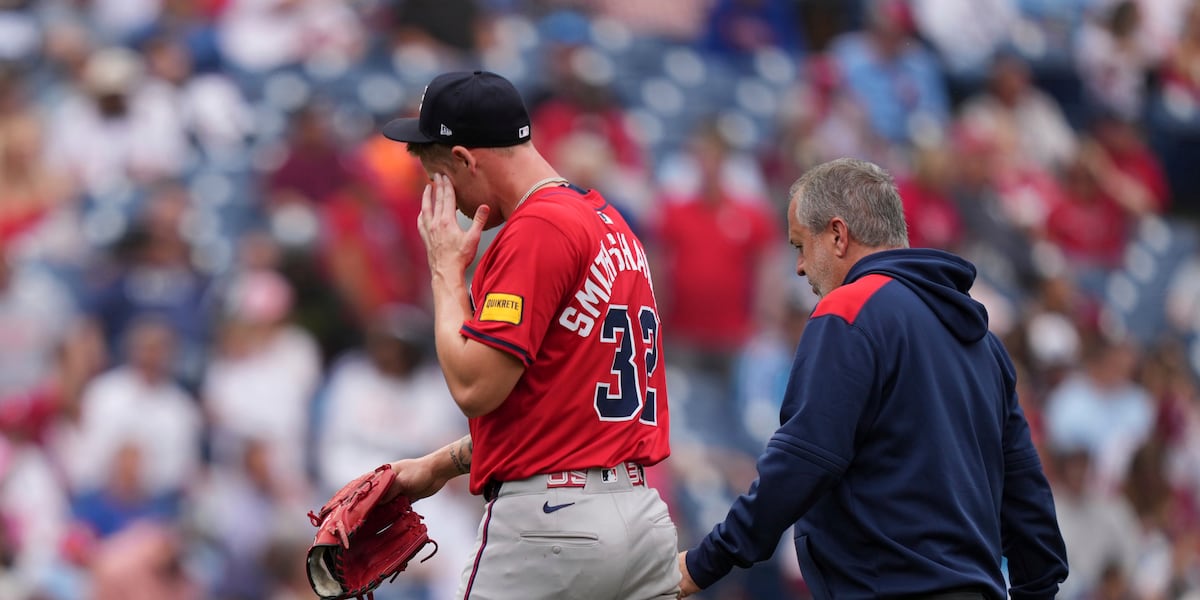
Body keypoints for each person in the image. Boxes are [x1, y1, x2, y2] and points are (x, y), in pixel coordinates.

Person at [677, 158, 1069, 599]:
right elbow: (1028, 500)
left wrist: (703, 563)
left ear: (838, 235)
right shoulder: (984, 344)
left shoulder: (850, 309)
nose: (800, 267)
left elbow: (802, 463)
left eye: (801, 246)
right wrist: (1037, 591)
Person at [372, 70, 679, 599]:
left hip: (554, 528)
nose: (441, 199)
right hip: (641, 522)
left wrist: (446, 272)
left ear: (465, 159)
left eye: (438, 177)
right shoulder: (607, 221)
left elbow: (475, 387)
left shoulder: (539, 227)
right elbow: (554, 409)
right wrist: (438, 467)